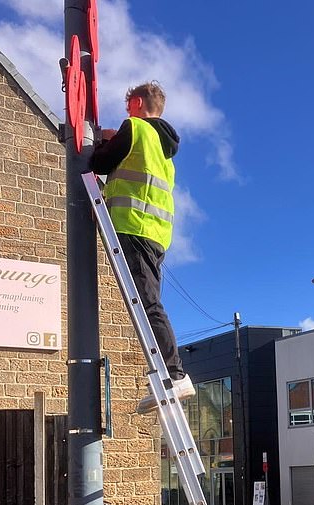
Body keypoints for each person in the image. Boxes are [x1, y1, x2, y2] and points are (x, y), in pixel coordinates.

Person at [90, 81, 194, 413]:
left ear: (136, 103)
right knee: (150, 303)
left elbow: (100, 163)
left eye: (126, 105)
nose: (125, 111)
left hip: (133, 227)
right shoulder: (164, 150)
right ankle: (167, 379)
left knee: (148, 304)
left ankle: (176, 376)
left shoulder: (134, 128)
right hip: (154, 233)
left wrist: (101, 141)